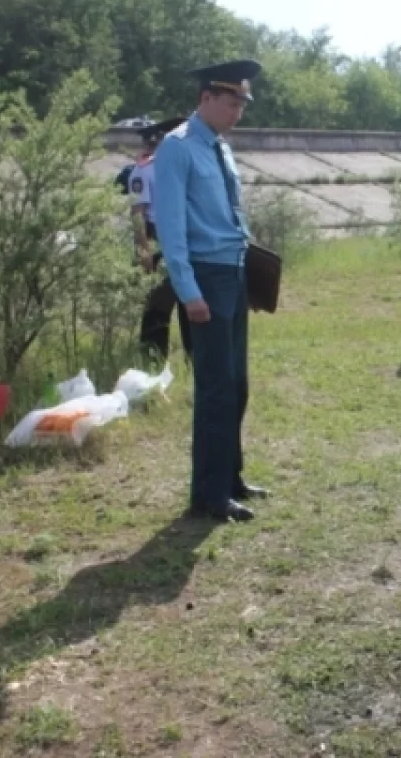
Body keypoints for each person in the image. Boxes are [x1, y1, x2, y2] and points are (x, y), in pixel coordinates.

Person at [152, 59, 270, 523]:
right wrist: (188, 290)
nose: (238, 111)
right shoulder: (177, 147)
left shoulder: (220, 147)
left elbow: (231, 213)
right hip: (205, 276)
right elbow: (171, 226)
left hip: (233, 272)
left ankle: (230, 478)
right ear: (205, 98)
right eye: (231, 101)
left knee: (236, 384)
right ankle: (208, 495)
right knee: (215, 389)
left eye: (242, 103)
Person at [129, 116, 193, 363]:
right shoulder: (144, 169)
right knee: (158, 305)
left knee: (190, 301)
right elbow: (137, 213)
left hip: (185, 237)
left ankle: (194, 356)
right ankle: (152, 360)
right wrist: (144, 251)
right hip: (157, 239)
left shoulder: (185, 165)